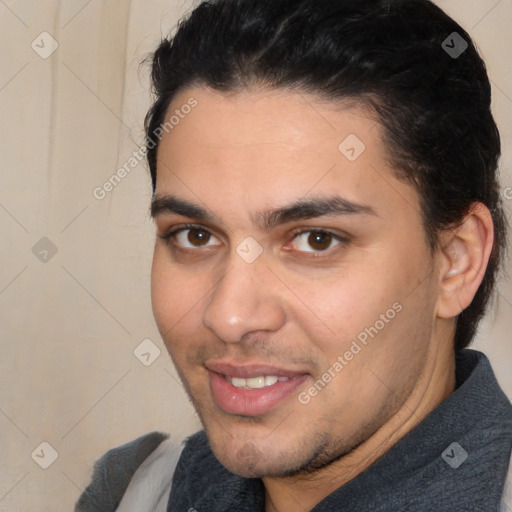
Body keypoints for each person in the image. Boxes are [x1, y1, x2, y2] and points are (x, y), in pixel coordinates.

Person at [75, 0, 512, 510]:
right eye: (195, 235)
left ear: (455, 261)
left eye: (316, 240)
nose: (229, 316)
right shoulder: (132, 494)